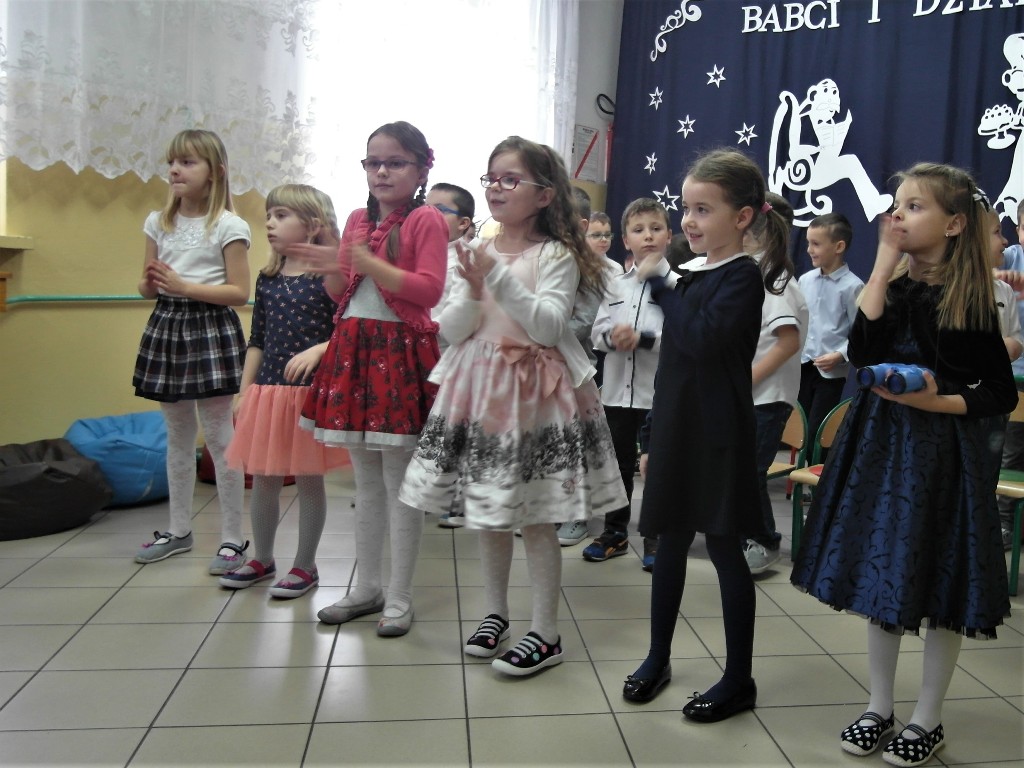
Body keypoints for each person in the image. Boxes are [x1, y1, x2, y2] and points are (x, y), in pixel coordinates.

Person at [791, 163, 1015, 767]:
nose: (898, 215)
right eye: (896, 205)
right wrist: (885, 261)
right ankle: (880, 706)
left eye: (915, 207)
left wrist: (939, 401)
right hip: (882, 450)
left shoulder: (972, 298)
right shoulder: (889, 286)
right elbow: (861, 350)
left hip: (944, 457)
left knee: (940, 580)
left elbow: (998, 391)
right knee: (883, 572)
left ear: (954, 224)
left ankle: (928, 717)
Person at [399, 136, 626, 676]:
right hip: (482, 392)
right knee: (490, 514)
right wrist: (475, 287)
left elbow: (546, 327)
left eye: (510, 179)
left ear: (544, 195)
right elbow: (453, 329)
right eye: (491, 178)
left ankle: (546, 632)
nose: (496, 189)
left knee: (537, 518)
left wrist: (494, 276)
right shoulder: (473, 250)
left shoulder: (556, 254)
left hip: (535, 394)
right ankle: (495, 613)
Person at [624, 149, 787, 722]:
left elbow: (702, 339)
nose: (688, 221)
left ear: (742, 218)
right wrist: (650, 435)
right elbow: (676, 358)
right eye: (686, 208)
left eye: (702, 209)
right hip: (676, 426)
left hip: (718, 433)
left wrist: (661, 283)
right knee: (670, 540)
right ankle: (658, 656)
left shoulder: (742, 276)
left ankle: (739, 679)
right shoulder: (692, 273)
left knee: (722, 548)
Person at [298, 121, 448, 637]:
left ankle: (400, 596)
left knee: (399, 481)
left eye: (395, 162)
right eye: (373, 162)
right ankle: (367, 588)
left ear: (421, 169)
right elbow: (343, 290)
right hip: (354, 348)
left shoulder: (426, 219)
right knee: (365, 481)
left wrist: (369, 262)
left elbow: (428, 291)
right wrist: (329, 263)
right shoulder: (358, 218)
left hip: (399, 352)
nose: (382, 172)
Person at [219, 184, 348, 598]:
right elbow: (257, 339)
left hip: (310, 396)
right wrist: (244, 391)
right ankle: (262, 558)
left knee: (309, 480)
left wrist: (320, 349)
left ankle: (305, 565)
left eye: (281, 215)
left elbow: (349, 330)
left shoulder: (329, 279)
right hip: (269, 393)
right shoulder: (269, 278)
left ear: (313, 225)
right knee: (265, 479)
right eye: (269, 216)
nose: (270, 223)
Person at [133, 129, 252, 575]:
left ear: (215, 171)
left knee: (220, 438)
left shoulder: (228, 225)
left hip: (210, 328)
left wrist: (185, 286)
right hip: (167, 324)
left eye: (187, 162)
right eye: (172, 162)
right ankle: (178, 531)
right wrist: (151, 284)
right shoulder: (157, 221)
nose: (175, 170)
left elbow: (239, 292)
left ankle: (232, 538)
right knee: (177, 436)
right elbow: (145, 286)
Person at [586, 198, 673, 571]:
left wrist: (643, 339)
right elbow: (597, 332)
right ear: (626, 240)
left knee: (657, 468)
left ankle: (656, 537)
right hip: (617, 392)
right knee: (618, 466)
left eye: (655, 228)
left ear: (669, 236)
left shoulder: (678, 285)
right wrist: (613, 338)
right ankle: (615, 532)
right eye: (638, 230)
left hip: (658, 395)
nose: (647, 236)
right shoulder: (615, 284)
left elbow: (683, 336)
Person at [743, 192, 808, 574]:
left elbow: (788, 342)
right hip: (751, 396)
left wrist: (744, 380)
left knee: (750, 471)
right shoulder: (753, 275)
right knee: (740, 470)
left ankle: (765, 540)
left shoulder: (776, 282)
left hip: (766, 397)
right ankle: (744, 535)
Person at [427, 182, 477, 531]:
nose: (429, 216)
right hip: (419, 350)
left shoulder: (467, 258)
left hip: (453, 350)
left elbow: (459, 311)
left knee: (456, 426)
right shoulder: (418, 253)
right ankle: (427, 490)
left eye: (439, 211)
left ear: (463, 223)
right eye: (425, 209)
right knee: (426, 424)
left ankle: (459, 499)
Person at [797, 212, 864, 457]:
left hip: (830, 371)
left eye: (816, 244)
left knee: (818, 429)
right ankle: (797, 471)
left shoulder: (853, 286)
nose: (809, 250)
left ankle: (818, 473)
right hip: (802, 365)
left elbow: (859, 331)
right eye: (808, 243)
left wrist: (840, 355)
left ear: (839, 247)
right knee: (799, 425)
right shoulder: (805, 280)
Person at [995, 199, 1024, 549]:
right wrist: (999, 276)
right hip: (1014, 377)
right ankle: (1004, 523)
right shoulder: (1011, 256)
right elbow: (977, 268)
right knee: (1011, 451)